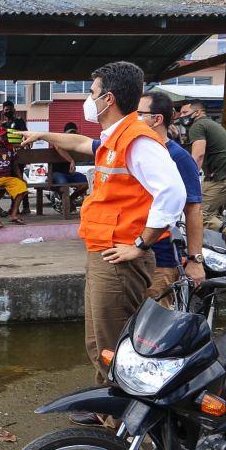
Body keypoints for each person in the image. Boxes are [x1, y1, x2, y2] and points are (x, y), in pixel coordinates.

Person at [20, 61, 186, 427]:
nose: (87, 100)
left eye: (91, 93)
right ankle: (108, 417)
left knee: (115, 351)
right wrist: (45, 135)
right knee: (100, 346)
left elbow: (173, 193)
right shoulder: (115, 138)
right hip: (104, 254)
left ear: (108, 98)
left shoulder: (136, 139)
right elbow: (79, 142)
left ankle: (123, 436)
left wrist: (142, 244)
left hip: (120, 258)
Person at [138, 92, 205, 306]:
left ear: (157, 119)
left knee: (155, 325)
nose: (134, 119)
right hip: (131, 253)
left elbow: (193, 210)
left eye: (140, 114)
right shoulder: (136, 150)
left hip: (160, 258)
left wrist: (195, 260)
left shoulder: (178, 157)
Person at [179, 99, 226, 258]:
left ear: (197, 112)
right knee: (214, 215)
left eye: (185, 113)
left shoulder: (198, 125)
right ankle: (219, 252)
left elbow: (198, 155)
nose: (181, 116)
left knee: (201, 214)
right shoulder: (210, 124)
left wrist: (188, 178)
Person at [49, 122, 90, 210]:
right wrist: (71, 160)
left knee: (86, 183)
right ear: (65, 133)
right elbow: (57, 147)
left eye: (74, 133)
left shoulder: (74, 144)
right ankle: (66, 203)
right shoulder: (59, 140)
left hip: (69, 173)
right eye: (70, 133)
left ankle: (69, 200)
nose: (72, 135)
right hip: (56, 173)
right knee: (63, 184)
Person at [1, 100, 30, 214]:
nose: (8, 111)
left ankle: (18, 207)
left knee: (18, 180)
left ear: (14, 110)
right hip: (7, 157)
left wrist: (20, 146)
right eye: (6, 109)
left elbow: (25, 135)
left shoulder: (19, 122)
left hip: (19, 156)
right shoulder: (2, 125)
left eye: (10, 109)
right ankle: (18, 207)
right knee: (15, 181)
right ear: (3, 111)